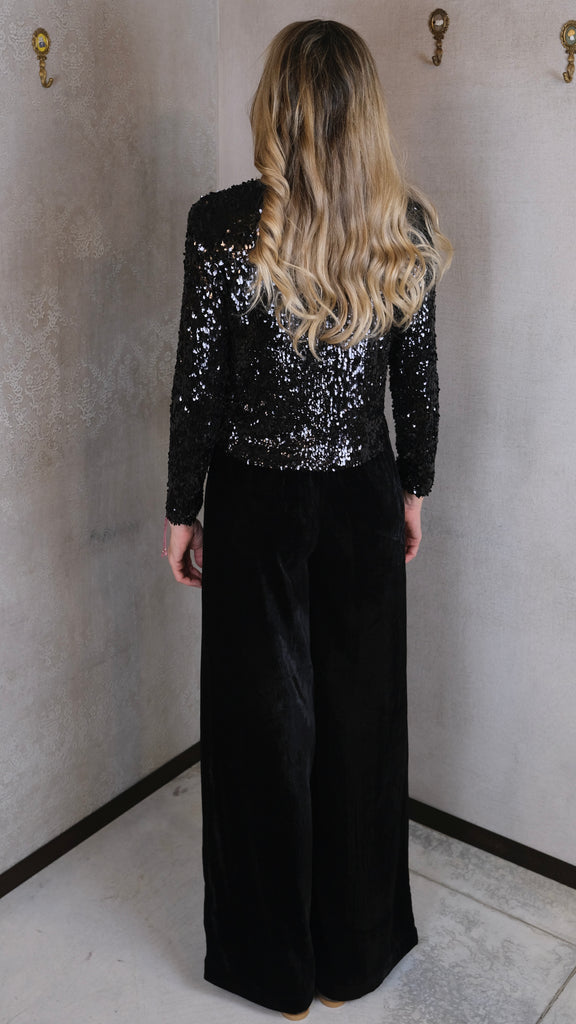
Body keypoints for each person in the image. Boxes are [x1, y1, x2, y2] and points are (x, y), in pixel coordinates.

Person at [164, 19, 452, 1022]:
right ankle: (354, 957)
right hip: (361, 499)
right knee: (361, 725)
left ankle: (271, 968)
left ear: (276, 105)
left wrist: (181, 510)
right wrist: (412, 489)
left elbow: (197, 388)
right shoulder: (403, 224)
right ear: (364, 111)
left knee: (260, 733)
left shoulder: (223, 224)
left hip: (256, 505)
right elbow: (419, 388)